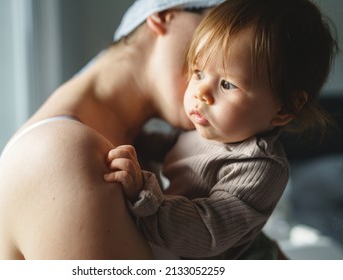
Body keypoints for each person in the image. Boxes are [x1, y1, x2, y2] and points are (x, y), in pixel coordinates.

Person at [0, 0, 226, 260]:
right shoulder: (60, 156)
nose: (235, 64)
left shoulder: (134, 148)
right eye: (222, 34)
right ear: (166, 15)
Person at [103, 0, 338, 259]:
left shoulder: (259, 166)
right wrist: (135, 139)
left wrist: (144, 194)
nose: (201, 93)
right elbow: (176, 147)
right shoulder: (216, 127)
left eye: (227, 84)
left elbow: (205, 233)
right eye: (199, 72)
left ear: (284, 108)